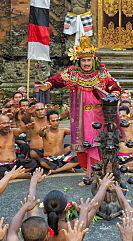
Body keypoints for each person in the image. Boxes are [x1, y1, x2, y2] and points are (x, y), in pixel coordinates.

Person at [34, 36, 121, 183]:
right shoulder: (73, 74)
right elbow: (57, 80)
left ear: (93, 60)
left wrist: (114, 94)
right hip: (81, 116)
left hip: (99, 114)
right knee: (83, 146)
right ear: (79, 61)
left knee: (98, 144)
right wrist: (48, 84)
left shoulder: (101, 73)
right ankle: (89, 175)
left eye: (88, 60)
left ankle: (100, 175)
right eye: (83, 60)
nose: (86, 64)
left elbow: (114, 86)